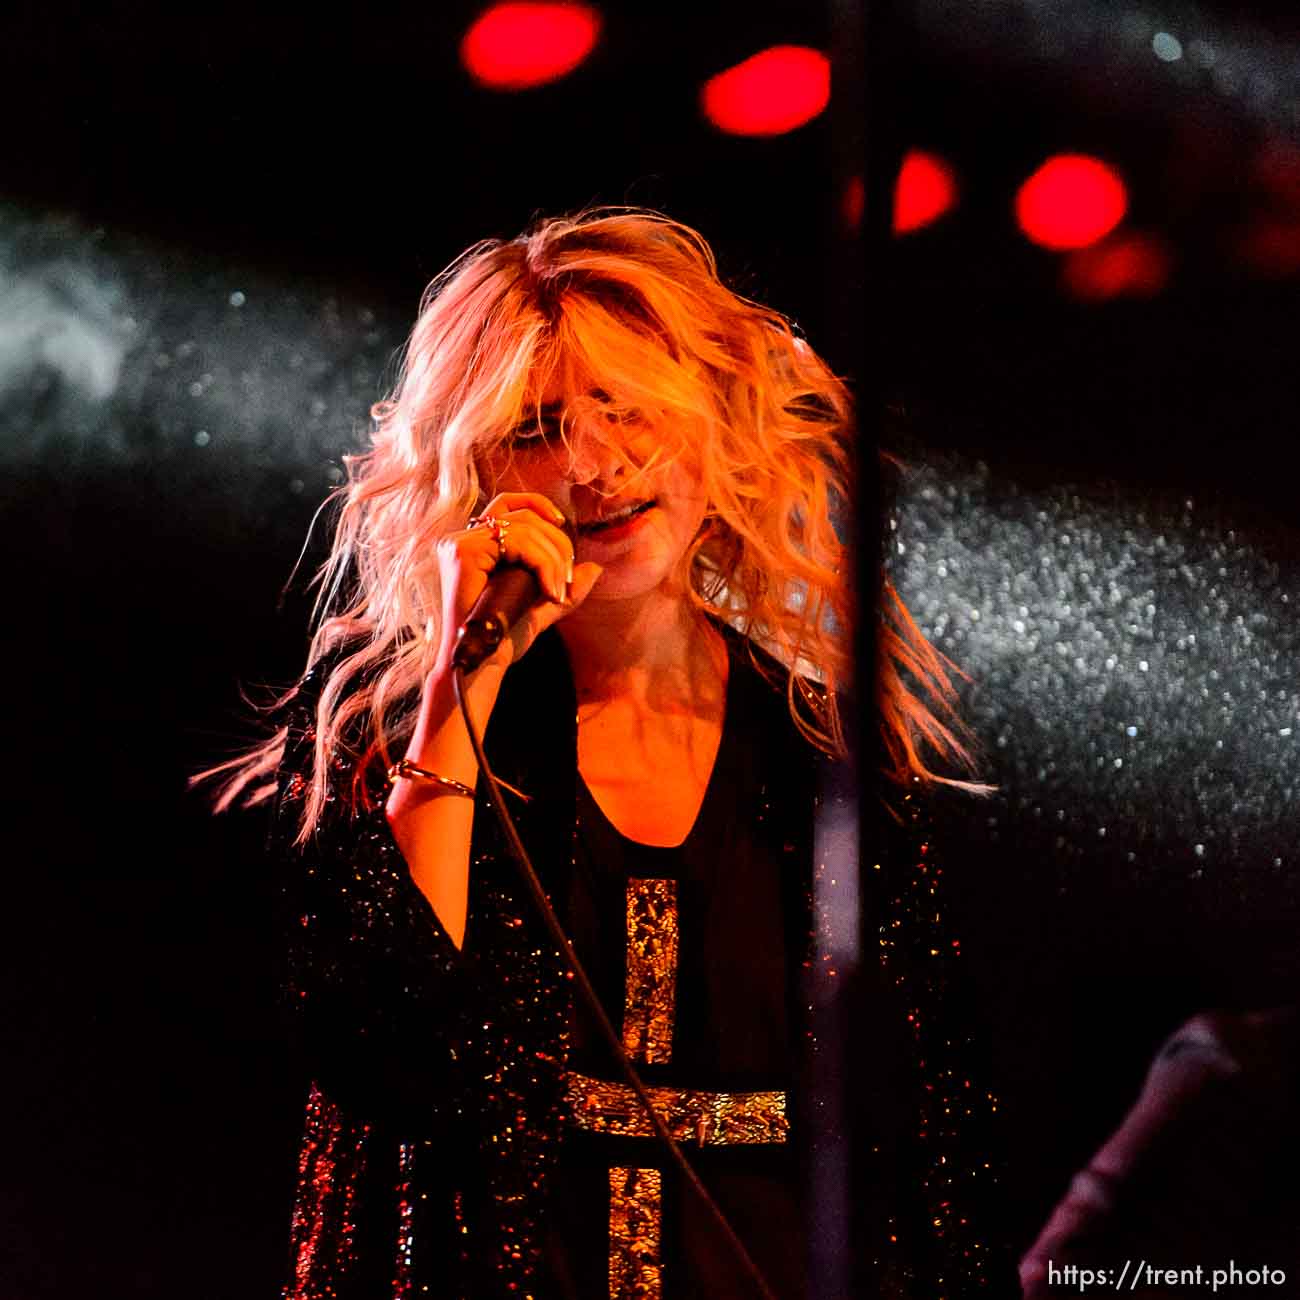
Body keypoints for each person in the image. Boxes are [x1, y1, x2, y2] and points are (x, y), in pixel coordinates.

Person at [205, 208, 1007, 1298]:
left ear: (705, 420)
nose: (591, 463)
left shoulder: (821, 750)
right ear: (475, 464)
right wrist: (463, 679)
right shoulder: (388, 732)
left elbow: (933, 1141)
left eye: (626, 408)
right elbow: (381, 1048)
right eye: (536, 427)